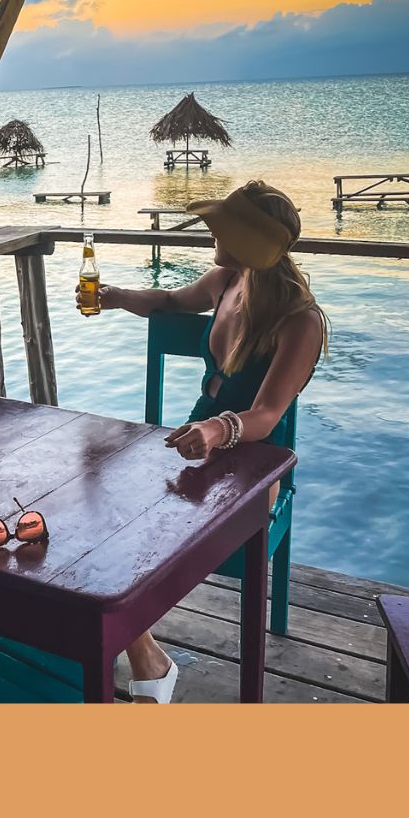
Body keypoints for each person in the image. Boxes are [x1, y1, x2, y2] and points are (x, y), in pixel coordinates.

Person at [78, 180, 328, 703]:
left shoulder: (300, 320)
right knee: (92, 496)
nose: (212, 230)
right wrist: (117, 296)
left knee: (132, 527)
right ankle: (145, 652)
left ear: (249, 239)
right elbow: (170, 300)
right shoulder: (227, 278)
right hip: (194, 440)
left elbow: (266, 414)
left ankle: (130, 648)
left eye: (224, 225)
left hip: (257, 466)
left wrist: (220, 429)